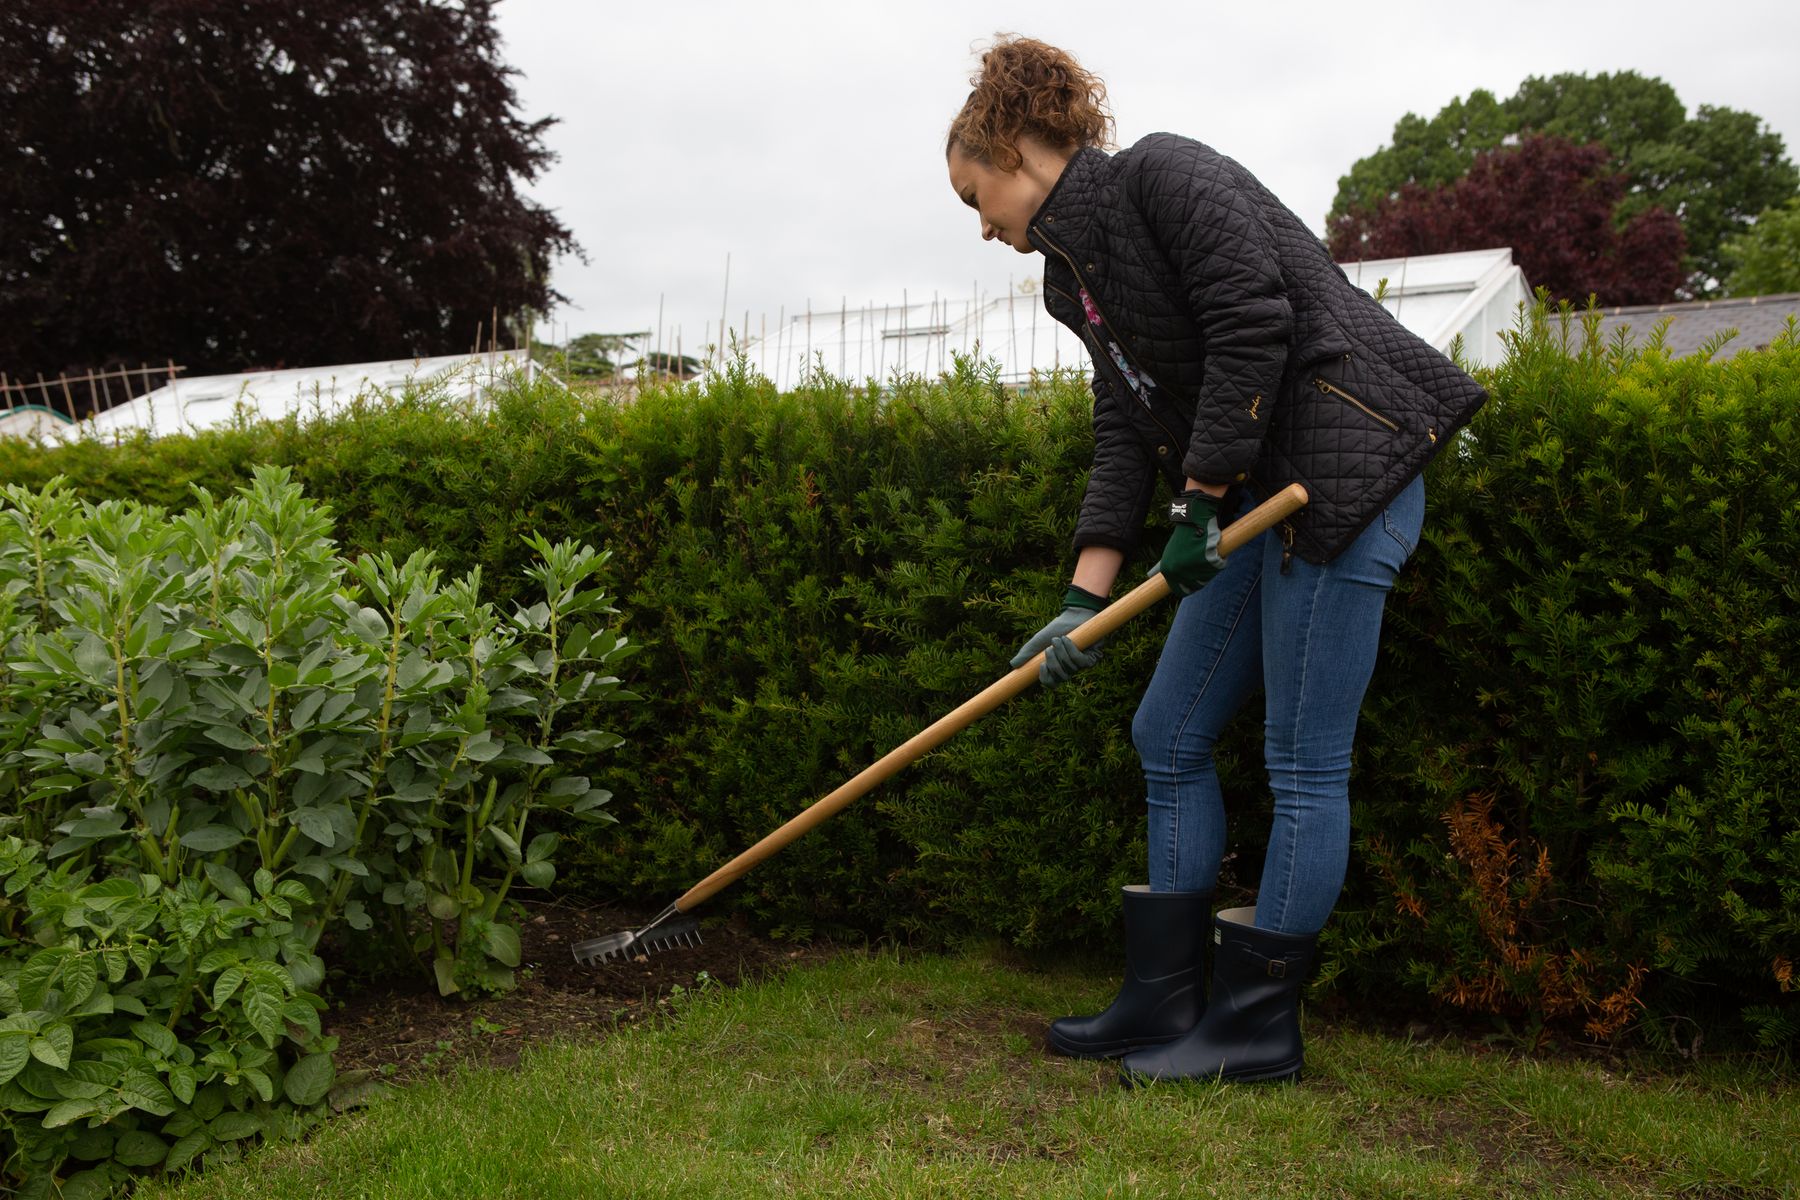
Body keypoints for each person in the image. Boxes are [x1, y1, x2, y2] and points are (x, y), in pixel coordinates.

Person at [944, 36, 1487, 1085]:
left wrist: (1197, 503)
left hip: (1343, 482)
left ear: (1015, 149)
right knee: (1171, 729)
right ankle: (1165, 1001)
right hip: (1248, 504)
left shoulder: (1165, 173)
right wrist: (1080, 598)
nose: (983, 228)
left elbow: (1254, 323)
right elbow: (1124, 427)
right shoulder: (1074, 280)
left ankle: (1253, 1032)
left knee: (1302, 762)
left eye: (978, 197)